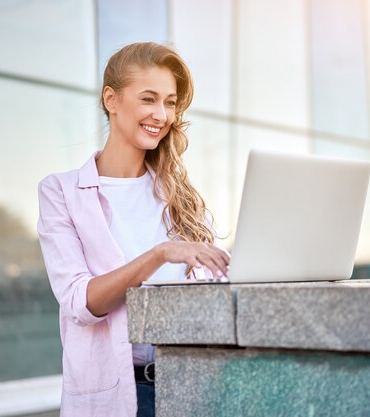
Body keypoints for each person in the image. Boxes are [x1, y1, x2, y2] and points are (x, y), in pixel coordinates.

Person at [37, 42, 230, 417]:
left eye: (171, 103)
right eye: (149, 99)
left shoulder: (181, 198)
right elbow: (81, 301)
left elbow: (215, 290)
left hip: (189, 386)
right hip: (120, 396)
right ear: (111, 99)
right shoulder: (61, 192)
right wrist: (159, 254)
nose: (162, 114)